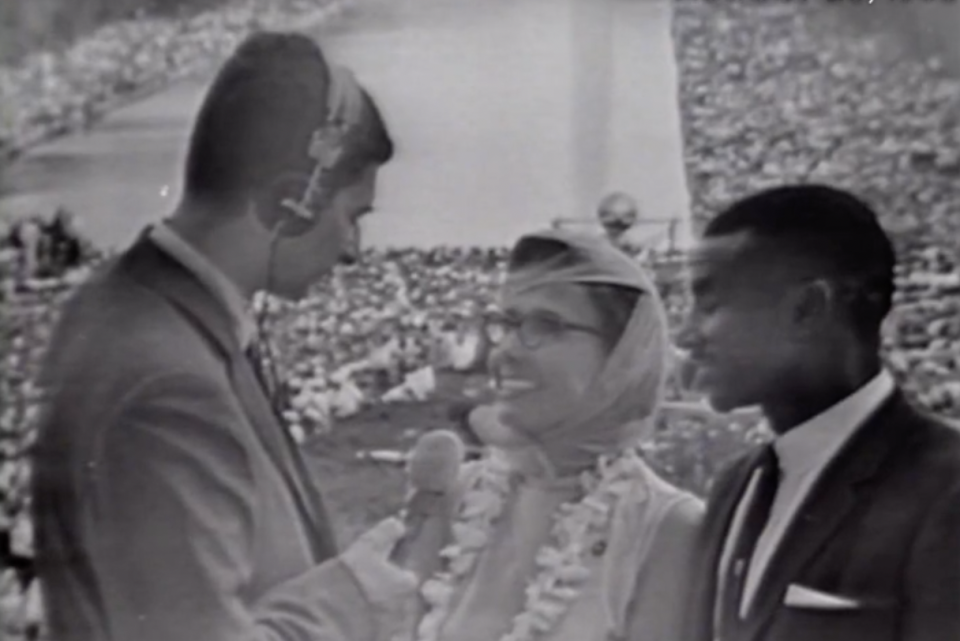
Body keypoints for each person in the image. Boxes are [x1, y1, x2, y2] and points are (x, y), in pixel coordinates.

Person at [32, 32, 419, 641]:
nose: (353, 252)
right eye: (353, 218)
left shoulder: (150, 312)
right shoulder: (169, 385)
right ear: (288, 202)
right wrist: (353, 600)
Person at [678, 184, 960, 641]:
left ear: (807, 310)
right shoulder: (735, 486)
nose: (686, 334)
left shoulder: (946, 491)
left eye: (710, 306)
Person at [403, 228, 703, 641]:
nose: (504, 351)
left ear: (622, 357)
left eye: (545, 324)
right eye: (505, 324)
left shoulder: (669, 529)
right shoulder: (456, 496)